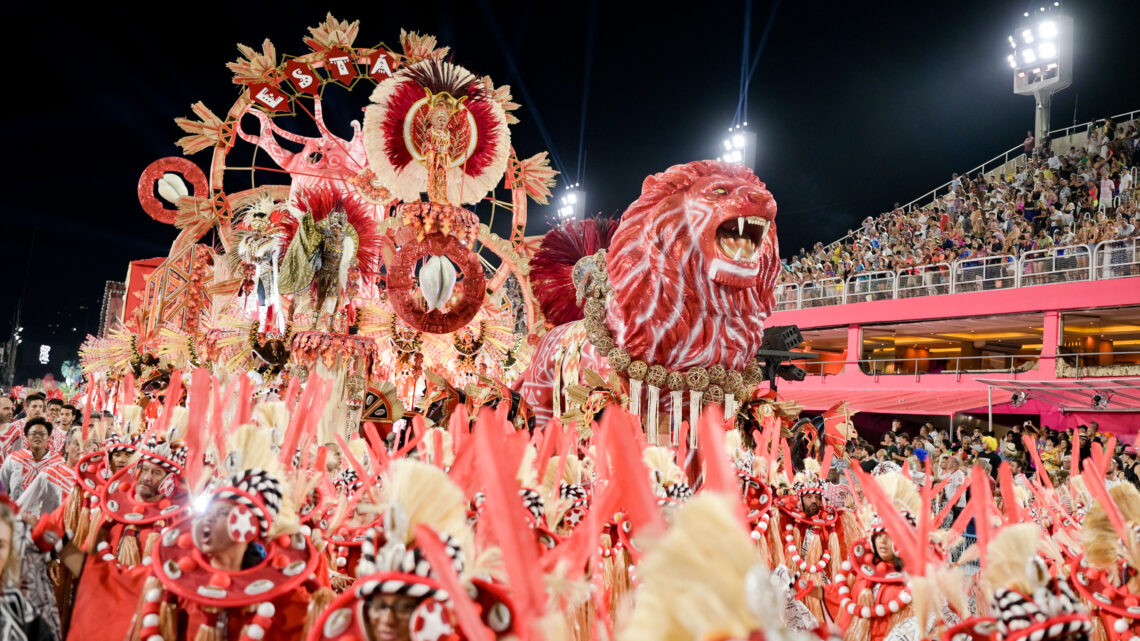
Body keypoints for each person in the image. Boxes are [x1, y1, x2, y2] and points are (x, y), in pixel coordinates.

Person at [0, 419, 65, 502]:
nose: (38, 436)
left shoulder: (58, 461)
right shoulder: (14, 459)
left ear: (48, 437)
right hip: (17, 512)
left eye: (42, 434)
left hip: (47, 513)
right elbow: (2, 487)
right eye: (33, 434)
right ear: (26, 436)